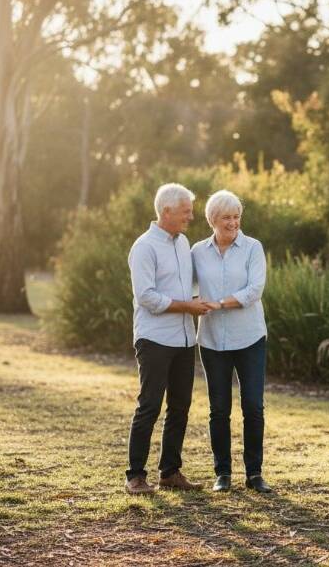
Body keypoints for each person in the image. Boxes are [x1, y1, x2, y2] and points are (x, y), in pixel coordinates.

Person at [125, 183, 213, 495]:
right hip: (155, 338)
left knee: (180, 406)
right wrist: (188, 305)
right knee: (149, 405)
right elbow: (147, 296)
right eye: (186, 211)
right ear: (166, 211)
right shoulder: (144, 247)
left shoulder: (182, 242)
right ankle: (135, 476)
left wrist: (198, 302)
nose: (191, 217)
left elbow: (180, 287)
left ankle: (170, 472)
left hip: (185, 339)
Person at [191, 190, 272, 494]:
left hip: (249, 337)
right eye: (226, 217)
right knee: (218, 408)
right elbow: (185, 286)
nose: (233, 222)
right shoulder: (197, 251)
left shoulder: (252, 248)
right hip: (211, 340)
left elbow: (254, 291)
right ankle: (222, 473)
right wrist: (195, 302)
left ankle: (254, 473)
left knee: (253, 407)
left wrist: (220, 304)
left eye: (236, 216)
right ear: (213, 220)